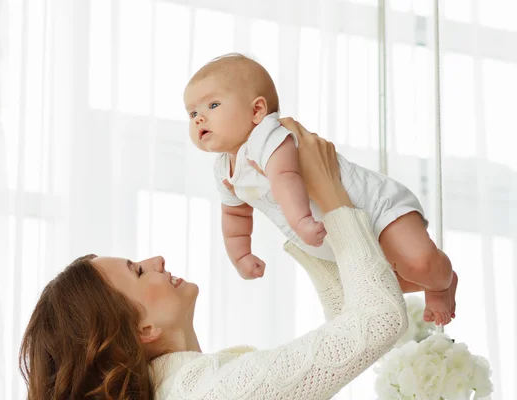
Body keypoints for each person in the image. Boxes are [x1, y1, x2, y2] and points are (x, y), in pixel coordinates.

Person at [20, 118, 408, 399]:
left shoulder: (193, 385)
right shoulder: (210, 391)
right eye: (137, 271)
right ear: (142, 329)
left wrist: (303, 220)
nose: (155, 260)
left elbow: (349, 334)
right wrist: (330, 193)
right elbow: (378, 322)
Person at [184, 53, 457, 325]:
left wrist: (302, 221)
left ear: (257, 111)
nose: (198, 119)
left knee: (420, 264)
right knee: (382, 282)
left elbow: (285, 177)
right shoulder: (224, 169)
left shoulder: (268, 136)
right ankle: (432, 281)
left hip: (375, 208)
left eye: (213, 105)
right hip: (338, 236)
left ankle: (440, 285)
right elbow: (235, 216)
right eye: (193, 113)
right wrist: (240, 255)